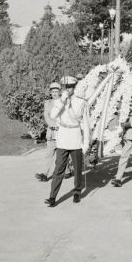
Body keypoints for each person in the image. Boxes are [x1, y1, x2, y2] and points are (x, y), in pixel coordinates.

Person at [45, 76, 90, 206]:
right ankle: (52, 197)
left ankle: (77, 192)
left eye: (70, 87)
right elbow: (53, 115)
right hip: (63, 138)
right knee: (59, 168)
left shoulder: (81, 102)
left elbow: (85, 124)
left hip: (75, 137)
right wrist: (62, 101)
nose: (68, 89)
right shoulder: (60, 101)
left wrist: (86, 143)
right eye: (66, 87)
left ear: (74, 87)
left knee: (77, 169)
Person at [35, 82, 66, 182]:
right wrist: (53, 125)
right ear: (50, 93)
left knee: (64, 154)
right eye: (53, 92)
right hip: (52, 133)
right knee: (50, 154)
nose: (55, 93)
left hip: (63, 132)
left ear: (60, 92)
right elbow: (46, 116)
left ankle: (69, 170)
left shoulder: (64, 102)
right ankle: (45, 174)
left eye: (57, 91)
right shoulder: (48, 103)